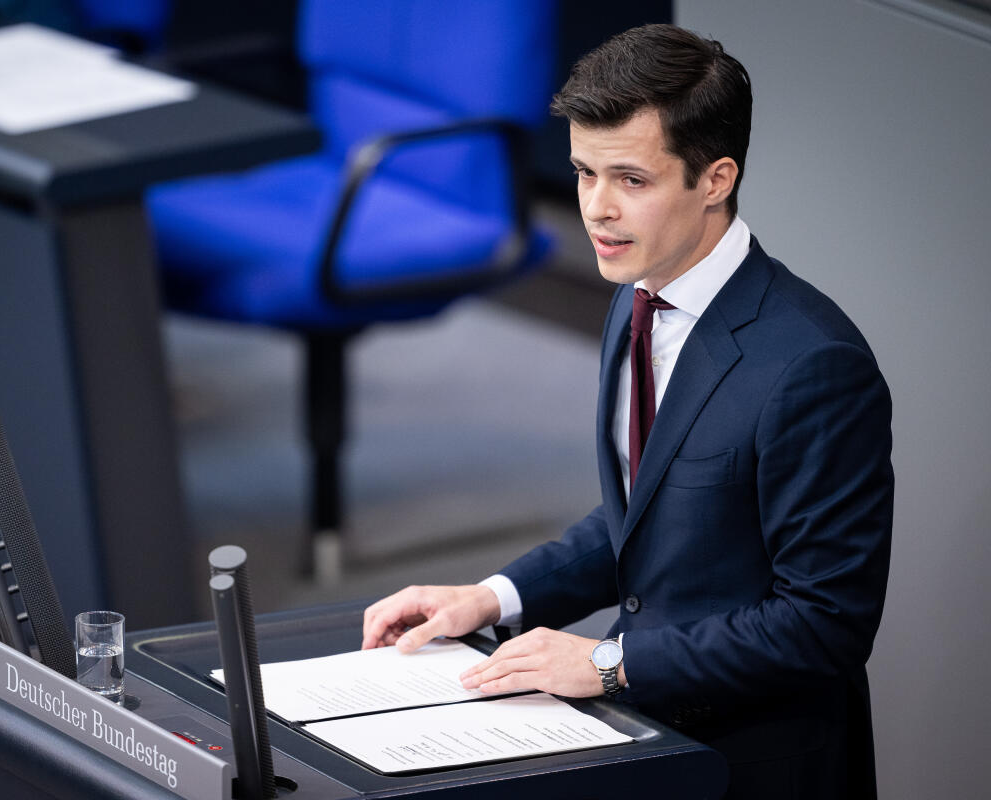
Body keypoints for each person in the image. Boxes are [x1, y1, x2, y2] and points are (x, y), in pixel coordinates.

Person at [361, 23, 893, 800]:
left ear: (715, 180)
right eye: (584, 173)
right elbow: (649, 521)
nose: (596, 210)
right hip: (640, 734)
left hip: (752, 761)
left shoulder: (815, 366)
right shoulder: (637, 295)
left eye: (631, 180)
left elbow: (824, 624)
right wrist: (494, 597)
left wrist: (608, 663)